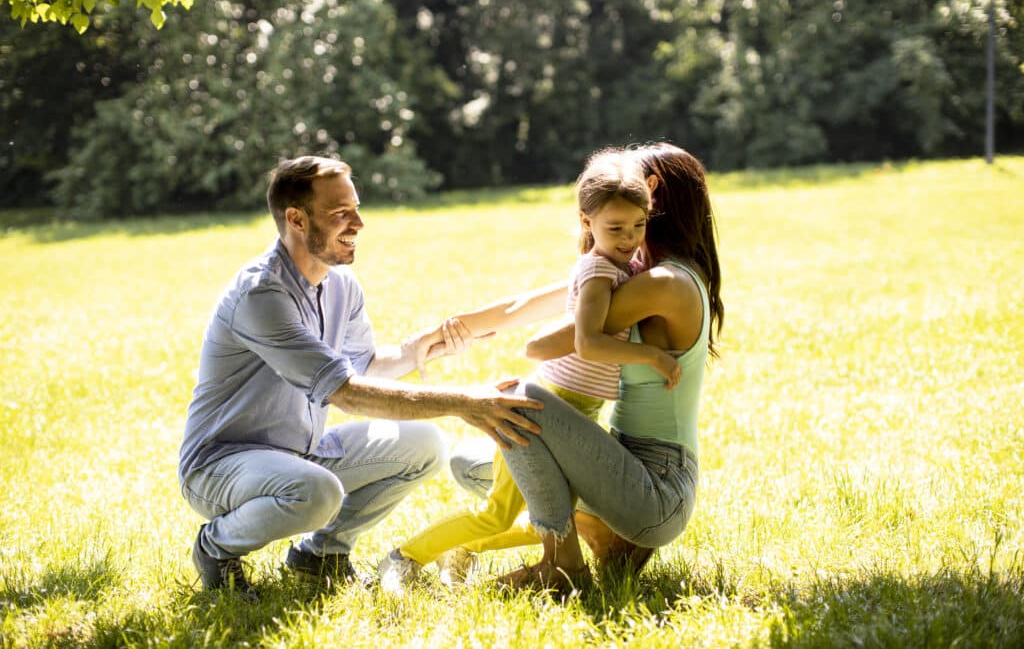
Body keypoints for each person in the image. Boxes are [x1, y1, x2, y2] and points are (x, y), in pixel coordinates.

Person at [178, 156, 543, 601]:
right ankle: (214, 548)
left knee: (423, 444)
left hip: (300, 452)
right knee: (317, 492)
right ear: (296, 218)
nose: (359, 223)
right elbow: (348, 394)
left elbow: (363, 366)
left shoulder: (340, 284)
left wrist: (417, 348)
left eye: (356, 207)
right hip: (222, 465)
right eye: (340, 213)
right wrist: (466, 402)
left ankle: (321, 555)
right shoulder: (262, 295)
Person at [375, 149, 682, 593]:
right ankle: (405, 557)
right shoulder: (598, 270)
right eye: (615, 228)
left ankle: (463, 551)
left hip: (572, 412)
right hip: (541, 409)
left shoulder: (623, 264)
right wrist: (653, 358)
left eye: (638, 226)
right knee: (498, 513)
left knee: (556, 513)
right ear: (586, 221)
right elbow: (587, 341)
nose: (629, 238)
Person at [453, 142, 724, 592]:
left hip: (656, 489)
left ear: (652, 198)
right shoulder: (636, 270)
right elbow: (530, 303)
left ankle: (561, 565)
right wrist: (448, 332)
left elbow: (544, 344)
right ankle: (599, 537)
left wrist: (590, 284)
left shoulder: (661, 283)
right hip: (625, 467)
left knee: (518, 401)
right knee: (471, 463)